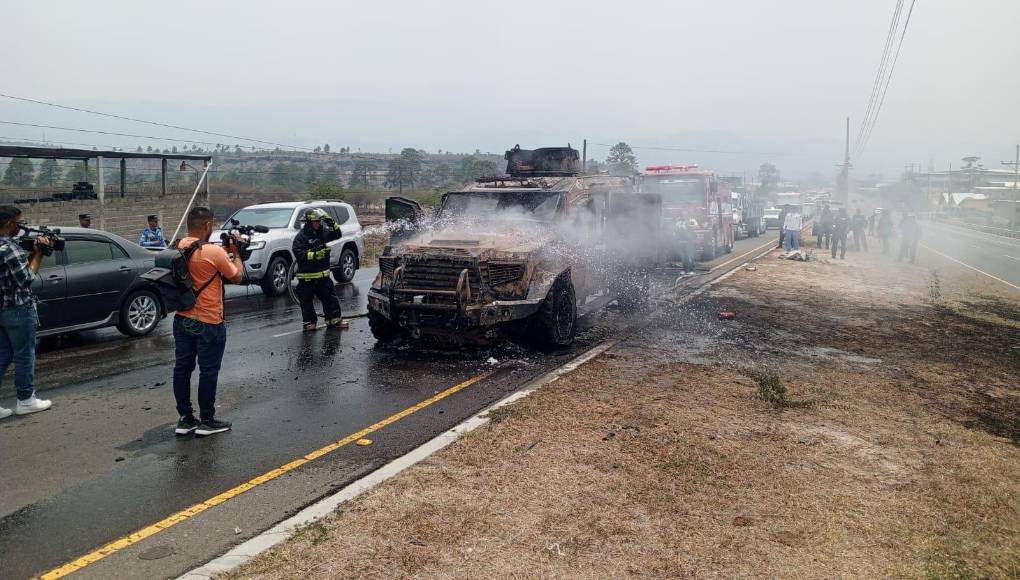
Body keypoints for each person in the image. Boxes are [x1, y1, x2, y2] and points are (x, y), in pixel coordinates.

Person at [172, 206, 244, 437]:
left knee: (182, 369)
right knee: (208, 371)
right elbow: (237, 275)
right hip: (209, 321)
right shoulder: (215, 253)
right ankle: (207, 420)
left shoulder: (177, 247)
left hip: (182, 319)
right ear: (207, 226)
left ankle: (185, 419)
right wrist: (237, 253)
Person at [0, 205, 54, 419]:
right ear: (8, 223)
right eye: (19, 223)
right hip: (18, 308)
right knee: (24, 354)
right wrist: (39, 254)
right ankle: (26, 400)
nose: (21, 228)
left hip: (2, 309)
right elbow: (26, 280)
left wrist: (31, 252)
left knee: (3, 355)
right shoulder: (9, 248)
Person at [292, 208, 347, 331]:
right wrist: (315, 254)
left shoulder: (322, 232)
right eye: (316, 221)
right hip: (307, 278)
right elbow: (298, 253)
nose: (318, 223)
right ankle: (309, 323)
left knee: (330, 299)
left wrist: (331, 222)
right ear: (309, 222)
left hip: (323, 277)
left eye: (319, 221)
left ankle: (334, 321)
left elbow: (337, 234)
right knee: (306, 303)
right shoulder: (301, 236)